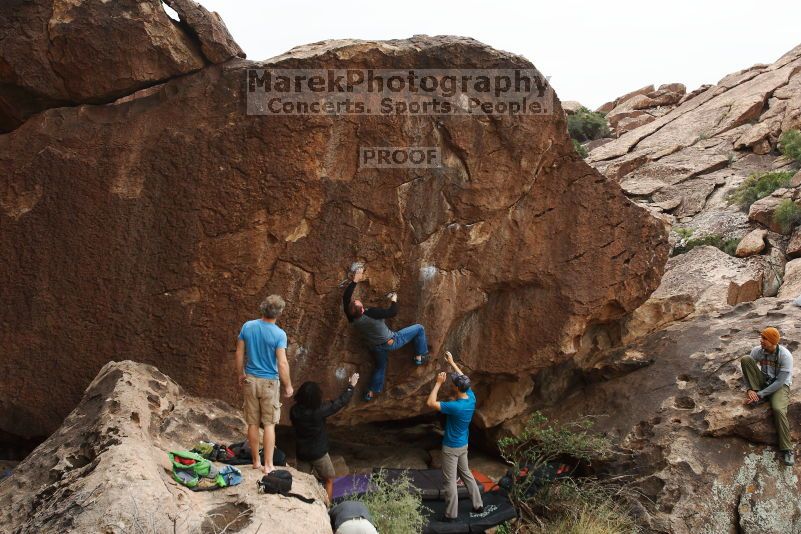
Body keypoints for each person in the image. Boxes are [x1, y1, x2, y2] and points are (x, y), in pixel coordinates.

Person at [342, 265, 429, 401]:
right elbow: (392, 312)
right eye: (358, 302)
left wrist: (355, 280)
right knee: (419, 328)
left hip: (374, 346)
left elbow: (345, 298)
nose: (356, 300)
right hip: (391, 341)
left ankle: (370, 392)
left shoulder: (352, 317)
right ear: (362, 309)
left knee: (380, 366)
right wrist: (394, 299)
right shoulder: (372, 313)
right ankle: (420, 356)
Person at [235, 294, 294, 474]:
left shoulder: (248, 326)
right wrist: (288, 385)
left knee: (252, 423)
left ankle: (255, 461)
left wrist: (240, 374)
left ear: (262, 308)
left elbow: (239, 354)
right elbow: (282, 363)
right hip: (269, 383)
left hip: (250, 379)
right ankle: (268, 465)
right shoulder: (279, 334)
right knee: (269, 424)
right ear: (279, 312)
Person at [426, 351, 483, 522]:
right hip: (463, 444)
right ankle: (478, 505)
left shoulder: (455, 406)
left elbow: (430, 403)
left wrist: (438, 384)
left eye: (454, 384)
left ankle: (451, 515)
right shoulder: (471, 398)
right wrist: (451, 363)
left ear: (457, 388)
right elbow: (463, 377)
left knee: (450, 481)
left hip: (451, 447)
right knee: (466, 473)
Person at [290, 373, 359, 501]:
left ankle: (304, 505)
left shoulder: (294, 411)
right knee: (329, 479)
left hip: (302, 453)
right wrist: (351, 386)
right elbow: (339, 403)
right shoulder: (320, 411)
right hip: (319, 454)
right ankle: (327, 507)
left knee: (303, 481)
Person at [740, 327, 795, 466]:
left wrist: (760, 394)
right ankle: (757, 396)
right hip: (763, 381)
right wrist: (750, 389)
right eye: (761, 337)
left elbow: (780, 381)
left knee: (778, 409)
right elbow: (748, 369)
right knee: (746, 359)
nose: (761, 341)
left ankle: (787, 449)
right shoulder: (757, 351)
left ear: (773, 341)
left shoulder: (785, 356)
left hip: (779, 386)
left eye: (765, 338)